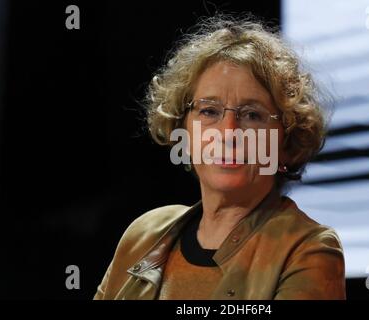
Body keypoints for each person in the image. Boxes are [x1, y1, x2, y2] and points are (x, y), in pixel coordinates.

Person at [94, 15, 346, 300]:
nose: (228, 133)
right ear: (183, 129)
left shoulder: (307, 250)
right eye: (209, 111)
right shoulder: (144, 235)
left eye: (252, 115)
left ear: (287, 139)